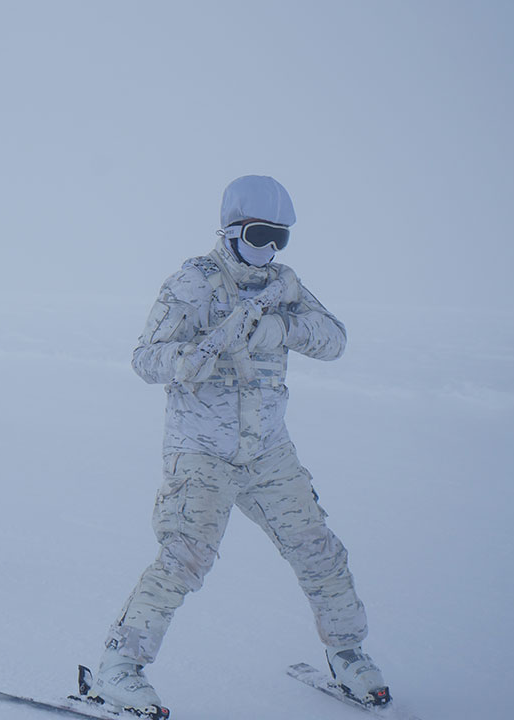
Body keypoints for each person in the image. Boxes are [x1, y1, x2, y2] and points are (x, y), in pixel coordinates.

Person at [88, 176, 388, 717]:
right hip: (202, 449)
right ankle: (117, 668)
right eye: (258, 235)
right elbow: (144, 358)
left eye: (280, 238)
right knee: (185, 557)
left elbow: (335, 339)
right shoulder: (193, 283)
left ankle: (348, 655)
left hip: (268, 451)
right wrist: (188, 359)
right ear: (229, 231)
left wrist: (280, 328)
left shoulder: (284, 286)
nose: (269, 249)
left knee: (318, 549)